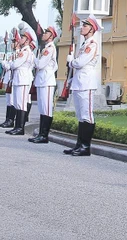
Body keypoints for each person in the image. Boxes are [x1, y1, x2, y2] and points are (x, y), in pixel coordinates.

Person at [65, 17, 102, 157]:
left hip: (87, 83)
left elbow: (80, 63)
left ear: (91, 29)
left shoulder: (92, 44)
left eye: (85, 26)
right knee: (80, 115)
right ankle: (79, 145)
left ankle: (86, 147)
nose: (82, 27)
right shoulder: (84, 44)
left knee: (87, 115)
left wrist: (71, 62)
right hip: (79, 82)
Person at [30, 25, 60, 144]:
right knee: (42, 108)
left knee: (47, 109)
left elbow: (41, 64)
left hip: (47, 81)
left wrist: (34, 59)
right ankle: (41, 134)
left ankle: (44, 135)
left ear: (51, 36)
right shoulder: (45, 48)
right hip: (42, 80)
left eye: (46, 32)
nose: (43, 34)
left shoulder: (50, 48)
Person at [7, 25, 36, 136]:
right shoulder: (23, 51)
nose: (20, 39)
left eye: (23, 38)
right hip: (19, 78)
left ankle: (20, 127)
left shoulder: (26, 51)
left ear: (27, 40)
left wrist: (11, 64)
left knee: (22, 104)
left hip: (23, 79)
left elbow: (15, 64)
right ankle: (17, 126)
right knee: (18, 103)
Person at [0, 29, 18, 128]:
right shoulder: (12, 54)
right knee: (8, 101)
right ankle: (7, 119)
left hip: (13, 79)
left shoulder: (17, 54)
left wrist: (4, 63)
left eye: (14, 42)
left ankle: (11, 120)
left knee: (12, 100)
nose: (11, 43)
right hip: (8, 78)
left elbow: (9, 66)